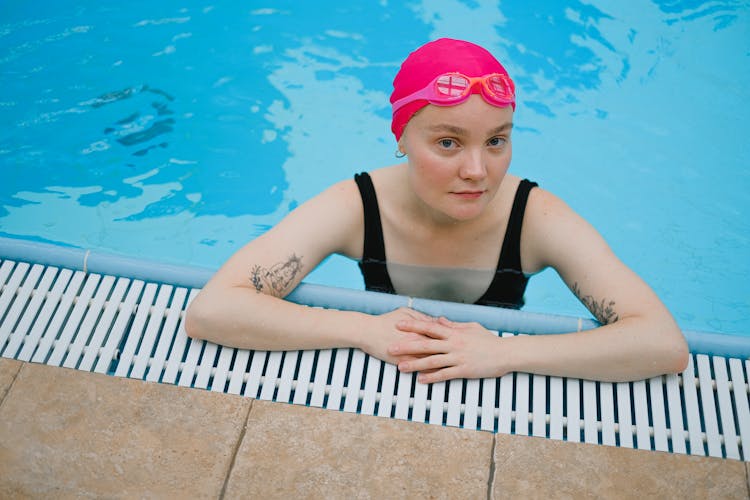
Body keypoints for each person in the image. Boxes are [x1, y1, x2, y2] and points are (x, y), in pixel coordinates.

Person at [185, 38, 689, 383]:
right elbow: (213, 310)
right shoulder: (357, 207)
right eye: (448, 143)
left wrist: (505, 353)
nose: (477, 170)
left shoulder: (535, 219)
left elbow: (662, 343)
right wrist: (362, 329)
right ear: (400, 138)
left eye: (496, 141)